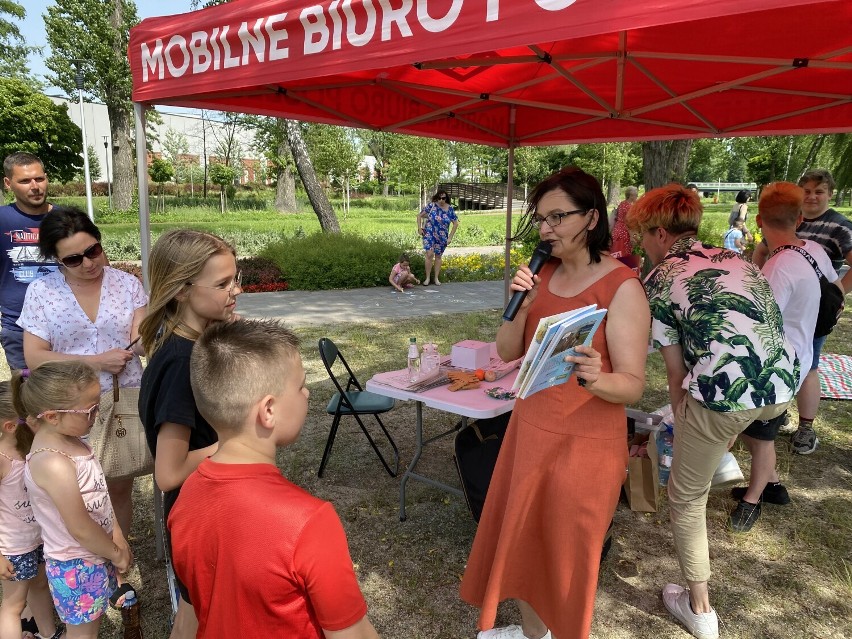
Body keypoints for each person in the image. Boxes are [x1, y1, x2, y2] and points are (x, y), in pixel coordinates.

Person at [460, 167, 650, 639]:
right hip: (529, 430)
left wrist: (595, 377)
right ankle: (532, 635)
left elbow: (632, 386)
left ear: (591, 217)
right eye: (540, 219)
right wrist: (521, 308)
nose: (545, 230)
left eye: (557, 217)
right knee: (523, 543)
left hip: (585, 444)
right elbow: (505, 352)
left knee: (566, 558)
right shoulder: (540, 275)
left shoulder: (622, 286)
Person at [627, 184, 796, 639]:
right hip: (780, 387)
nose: (641, 244)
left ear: (661, 233)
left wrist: (683, 418)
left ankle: (698, 608)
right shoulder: (735, 257)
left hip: (727, 395)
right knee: (713, 431)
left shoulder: (660, 278)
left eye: (643, 235)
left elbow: (674, 367)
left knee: (686, 498)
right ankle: (718, 458)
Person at [169, 318, 381, 639]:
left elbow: (190, 613)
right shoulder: (310, 521)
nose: (307, 393)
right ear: (268, 410)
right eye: (300, 385)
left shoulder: (185, 500)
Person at [17, 206, 147, 538]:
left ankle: (118, 559)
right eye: (74, 259)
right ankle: (81, 560)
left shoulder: (127, 284)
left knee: (118, 485)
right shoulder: (42, 293)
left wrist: (161, 329)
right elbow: (35, 358)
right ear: (56, 261)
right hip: (69, 406)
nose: (88, 263)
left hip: (122, 401)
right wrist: (96, 362)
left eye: (93, 251)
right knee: (76, 492)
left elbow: (142, 340)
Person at [139, 229, 240, 639]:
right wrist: (235, 441)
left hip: (205, 509)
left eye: (236, 278)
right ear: (181, 290)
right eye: (222, 284)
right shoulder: (181, 364)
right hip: (198, 513)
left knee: (192, 609)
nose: (235, 291)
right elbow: (168, 472)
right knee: (201, 613)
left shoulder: (193, 344)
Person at [727, 182, 836, 531]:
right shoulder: (814, 250)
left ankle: (754, 499)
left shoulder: (779, 268)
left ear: (758, 220)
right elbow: (834, 288)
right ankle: (771, 482)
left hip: (778, 369)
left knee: (759, 436)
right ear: (800, 217)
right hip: (801, 356)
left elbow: (755, 323)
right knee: (753, 429)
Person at [14, 361, 132, 639]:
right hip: (76, 566)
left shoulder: (73, 440)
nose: (97, 414)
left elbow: (100, 496)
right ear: (52, 416)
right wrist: (115, 553)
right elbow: (78, 525)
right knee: (83, 635)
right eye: (89, 410)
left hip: (95, 553)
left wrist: (117, 536)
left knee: (91, 629)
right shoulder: (52, 462)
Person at [752, 169, 852, 455]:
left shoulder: (782, 265)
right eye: (807, 191)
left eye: (818, 191)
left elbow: (762, 324)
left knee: (805, 368)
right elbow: (833, 282)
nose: (812, 196)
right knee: (807, 365)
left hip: (794, 342)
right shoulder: (807, 246)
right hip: (803, 326)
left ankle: (798, 426)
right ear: (798, 218)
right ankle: (782, 414)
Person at [0, 381, 64, 639]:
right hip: (13, 548)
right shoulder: (2, 460)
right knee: (13, 606)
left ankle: (48, 633)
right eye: (33, 419)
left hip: (39, 538)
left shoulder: (30, 450)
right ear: (11, 426)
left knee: (39, 585)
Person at [0, 153, 58, 370]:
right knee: (28, 399)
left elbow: (100, 266)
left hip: (67, 324)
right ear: (8, 183)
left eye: (39, 179)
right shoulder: (2, 220)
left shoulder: (69, 219)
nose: (35, 186)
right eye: (25, 181)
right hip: (18, 329)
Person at [418, 190, 459, 286]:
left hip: (442, 236)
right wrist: (419, 228)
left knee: (438, 256)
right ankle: (427, 278)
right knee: (429, 254)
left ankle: (436, 278)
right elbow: (419, 216)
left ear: (446, 199)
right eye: (439, 198)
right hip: (429, 233)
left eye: (443, 198)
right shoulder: (432, 206)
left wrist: (450, 237)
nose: (441, 200)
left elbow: (456, 223)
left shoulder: (450, 209)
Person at [609, 186, 640, 269]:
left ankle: (614, 270)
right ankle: (622, 271)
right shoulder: (629, 208)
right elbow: (629, 224)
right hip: (624, 233)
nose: (637, 197)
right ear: (631, 196)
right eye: (636, 195)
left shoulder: (622, 204)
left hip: (616, 230)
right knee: (624, 254)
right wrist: (632, 237)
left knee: (616, 252)